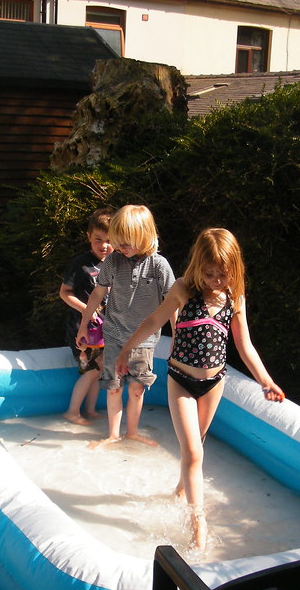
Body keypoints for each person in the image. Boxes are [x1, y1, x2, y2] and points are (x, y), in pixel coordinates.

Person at [116, 228, 284, 549]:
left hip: (213, 383)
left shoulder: (234, 298)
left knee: (197, 448)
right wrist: (126, 350)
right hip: (181, 379)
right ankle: (199, 526)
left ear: (233, 269)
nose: (215, 280)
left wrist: (266, 381)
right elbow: (153, 321)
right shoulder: (184, 290)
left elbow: (244, 345)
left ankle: (180, 490)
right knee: (193, 452)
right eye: (209, 273)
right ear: (198, 266)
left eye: (222, 274)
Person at [77, 204, 175, 448]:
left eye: (125, 242)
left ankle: (131, 431)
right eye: (117, 241)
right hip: (114, 335)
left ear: (143, 236)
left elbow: (173, 304)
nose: (119, 247)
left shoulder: (159, 265)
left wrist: (178, 339)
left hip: (144, 340)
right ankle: (113, 434)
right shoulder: (113, 261)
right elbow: (97, 294)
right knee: (113, 387)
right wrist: (83, 325)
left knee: (137, 389)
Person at [60, 208, 113, 425]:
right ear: (89, 237)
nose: (103, 245)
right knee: (91, 371)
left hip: (105, 330)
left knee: (98, 371)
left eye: (109, 240)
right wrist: (86, 310)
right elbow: (64, 292)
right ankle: (72, 412)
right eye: (98, 239)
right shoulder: (82, 264)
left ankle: (90, 410)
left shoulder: (116, 264)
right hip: (84, 330)